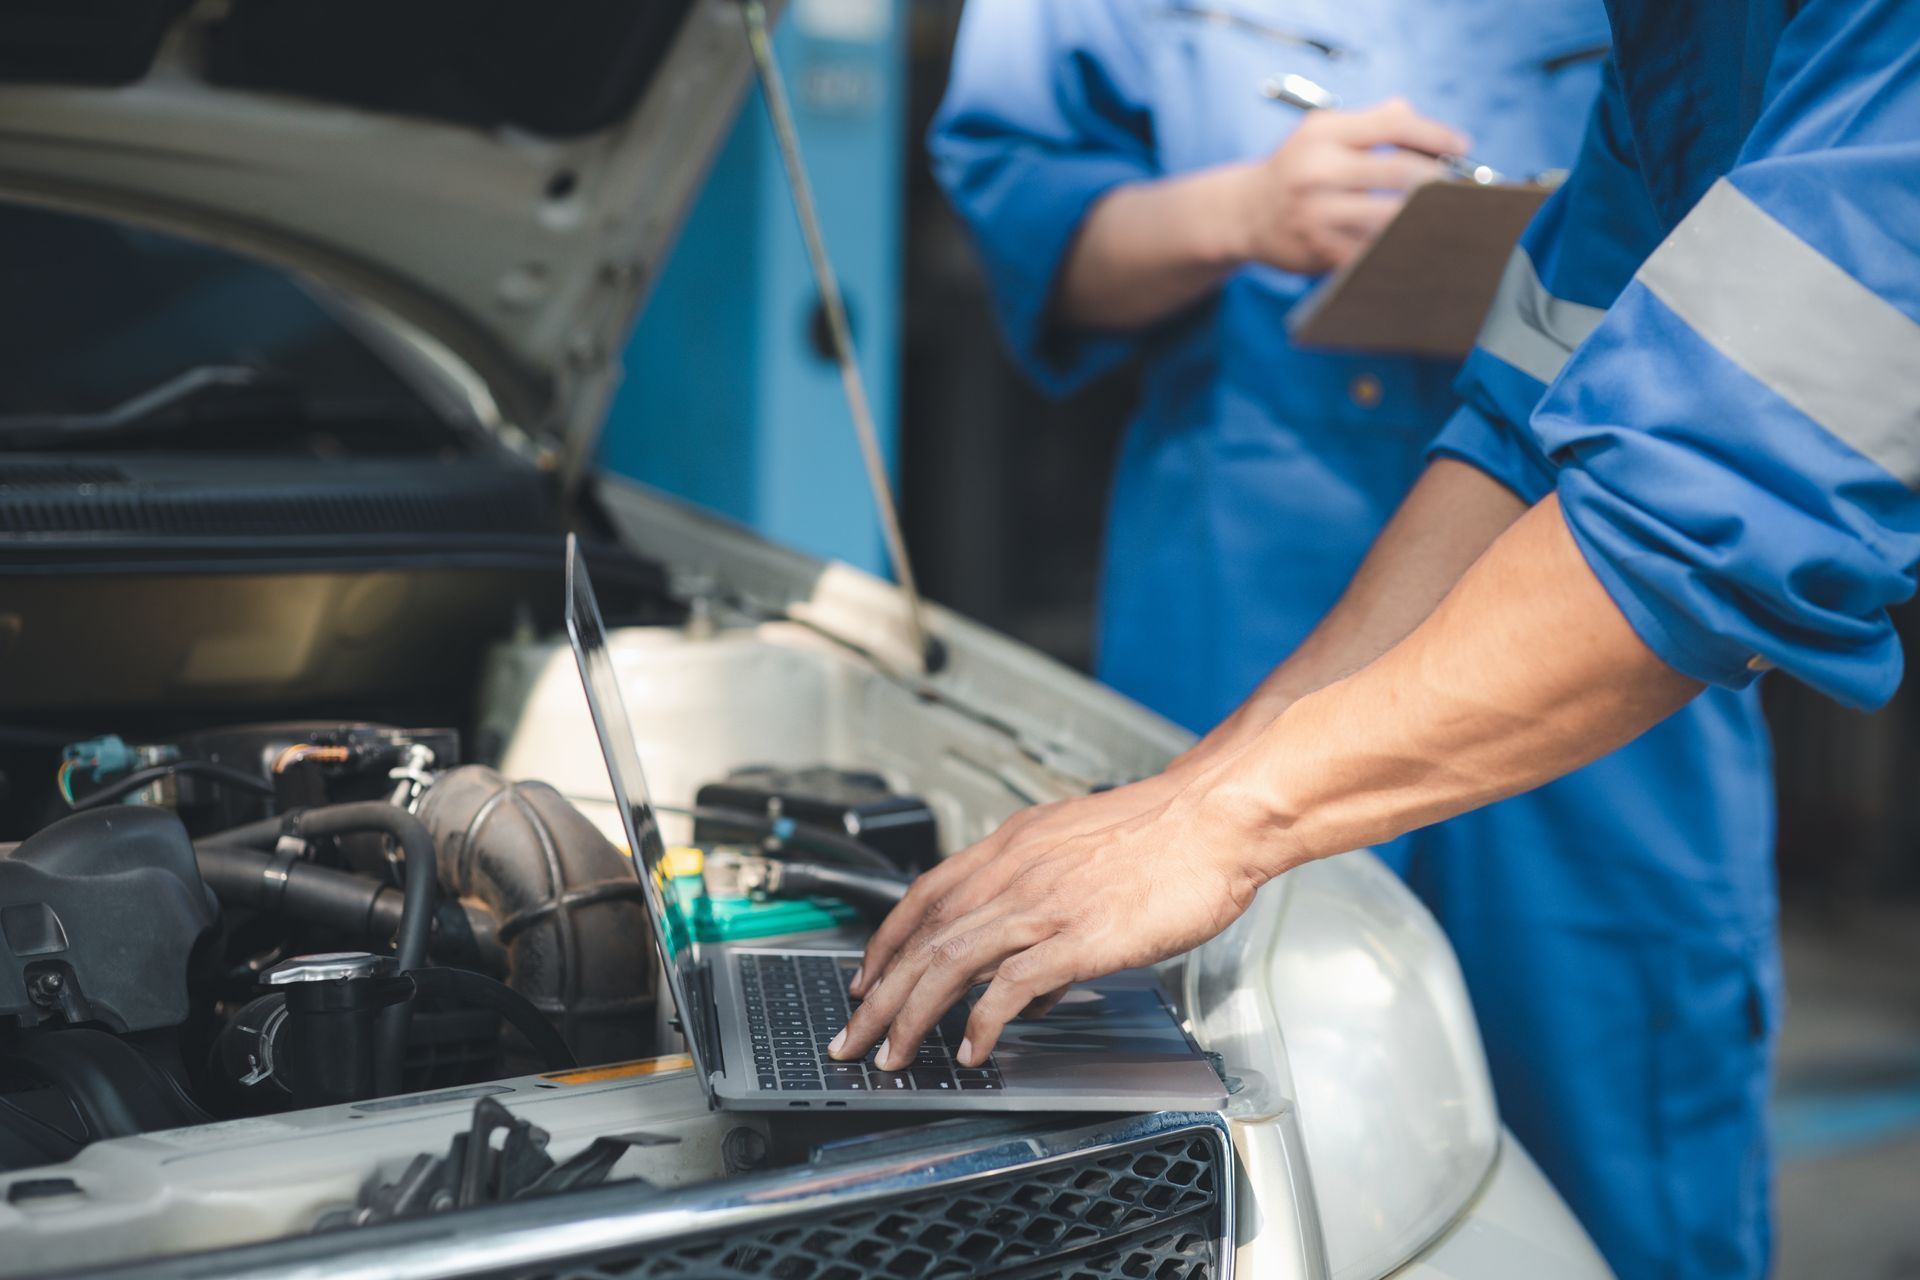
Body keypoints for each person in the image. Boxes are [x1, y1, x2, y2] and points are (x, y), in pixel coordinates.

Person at [907, 3, 1783, 1276]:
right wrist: (1237, 213)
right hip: (1252, 584)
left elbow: (1766, 378)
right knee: (1236, 1139)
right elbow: (1021, 212)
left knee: (1626, 1103)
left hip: (1615, 590)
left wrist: (1221, 807)